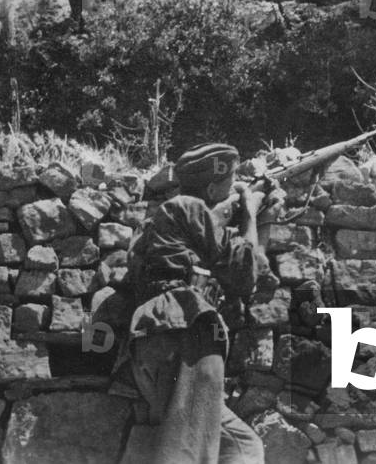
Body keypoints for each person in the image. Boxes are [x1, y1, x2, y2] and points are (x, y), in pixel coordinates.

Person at [115, 143, 269, 463]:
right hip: (187, 336)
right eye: (231, 185)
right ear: (212, 189)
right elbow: (245, 274)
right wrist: (252, 213)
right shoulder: (188, 207)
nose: (236, 189)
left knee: (242, 448)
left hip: (154, 342)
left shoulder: (158, 225)